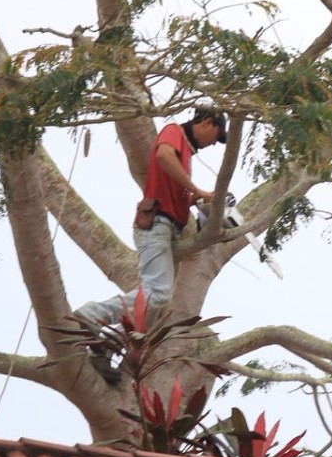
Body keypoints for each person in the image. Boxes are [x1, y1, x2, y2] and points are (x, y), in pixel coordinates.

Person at [75, 105, 228, 334]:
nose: (214, 143)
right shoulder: (174, 132)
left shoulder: (186, 153)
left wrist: (196, 198)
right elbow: (163, 155)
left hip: (168, 229)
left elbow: (173, 193)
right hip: (156, 224)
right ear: (207, 123)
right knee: (157, 294)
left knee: (159, 307)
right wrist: (198, 190)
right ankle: (93, 314)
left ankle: (111, 343)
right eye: (217, 136)